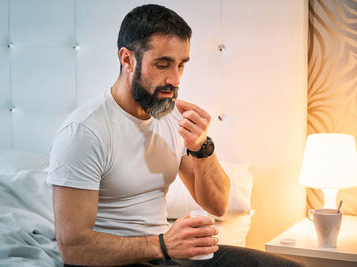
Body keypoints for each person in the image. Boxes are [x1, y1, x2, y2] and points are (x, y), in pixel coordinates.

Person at [47, 4, 304, 267]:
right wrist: (163, 244)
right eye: (163, 65)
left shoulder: (171, 118)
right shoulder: (84, 132)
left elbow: (218, 206)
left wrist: (202, 148)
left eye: (181, 65)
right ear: (127, 59)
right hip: (116, 261)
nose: (175, 79)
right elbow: (73, 247)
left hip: (167, 254)